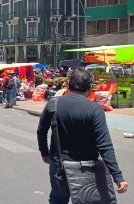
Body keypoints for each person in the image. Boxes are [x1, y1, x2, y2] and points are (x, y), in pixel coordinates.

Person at [37, 68, 128, 203]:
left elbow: (41, 131)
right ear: (90, 87)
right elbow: (104, 145)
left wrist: (45, 153)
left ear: (68, 84)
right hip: (87, 168)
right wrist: (117, 176)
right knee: (87, 200)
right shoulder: (94, 109)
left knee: (58, 199)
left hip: (59, 164)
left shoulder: (53, 103)